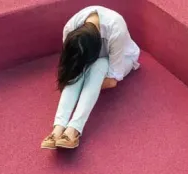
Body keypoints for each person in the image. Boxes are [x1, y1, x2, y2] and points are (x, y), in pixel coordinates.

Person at [41, 6, 140, 149]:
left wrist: (84, 86)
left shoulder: (115, 28)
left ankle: (73, 129)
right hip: (92, 58)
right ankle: (58, 128)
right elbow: (70, 66)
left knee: (99, 65)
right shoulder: (70, 29)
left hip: (123, 58)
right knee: (76, 73)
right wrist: (76, 77)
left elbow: (112, 81)